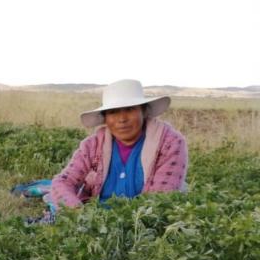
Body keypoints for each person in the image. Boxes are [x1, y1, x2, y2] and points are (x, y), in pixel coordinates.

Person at [49, 79, 189, 210]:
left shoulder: (170, 143)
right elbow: (62, 182)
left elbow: (159, 201)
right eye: (113, 112)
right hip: (96, 219)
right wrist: (78, 212)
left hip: (141, 223)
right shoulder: (92, 145)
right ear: (105, 118)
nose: (122, 119)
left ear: (144, 111)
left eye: (129, 109)